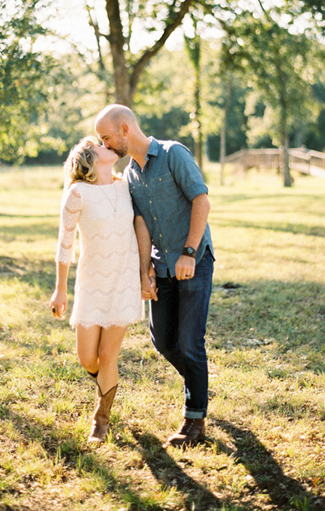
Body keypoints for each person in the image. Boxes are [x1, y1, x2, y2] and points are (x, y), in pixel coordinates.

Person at [95, 105, 214, 448]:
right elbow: (142, 224)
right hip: (162, 267)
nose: (105, 145)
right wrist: (144, 269)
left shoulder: (174, 153)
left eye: (106, 138)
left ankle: (194, 420)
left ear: (125, 131)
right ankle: (200, 384)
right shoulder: (131, 174)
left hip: (194, 260)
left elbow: (201, 202)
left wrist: (189, 253)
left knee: (191, 342)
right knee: (163, 341)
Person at [50, 136, 143, 444]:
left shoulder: (126, 185)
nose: (109, 144)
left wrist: (146, 271)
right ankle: (103, 381)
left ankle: (100, 421)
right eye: (101, 144)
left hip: (125, 279)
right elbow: (65, 245)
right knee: (88, 359)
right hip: (92, 283)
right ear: (90, 157)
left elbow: (143, 226)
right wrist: (60, 290)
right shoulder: (77, 193)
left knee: (107, 354)